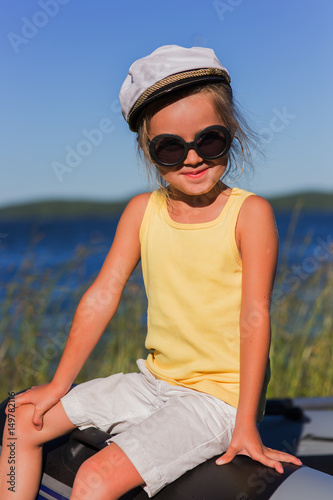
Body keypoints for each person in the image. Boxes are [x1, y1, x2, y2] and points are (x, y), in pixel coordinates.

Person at [0, 45, 302, 500]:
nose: (193, 158)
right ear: (148, 151)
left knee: (95, 480)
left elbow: (254, 315)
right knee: (17, 419)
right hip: (153, 382)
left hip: (216, 400)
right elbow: (104, 294)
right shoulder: (143, 211)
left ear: (231, 133)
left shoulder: (249, 214)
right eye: (170, 148)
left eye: (210, 140)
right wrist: (59, 384)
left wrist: (245, 425)